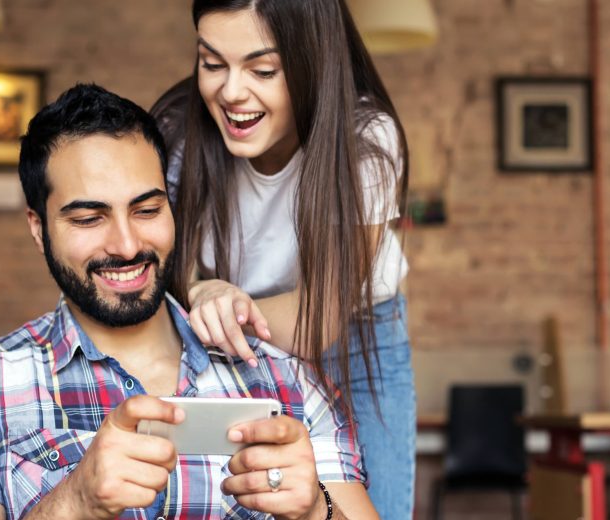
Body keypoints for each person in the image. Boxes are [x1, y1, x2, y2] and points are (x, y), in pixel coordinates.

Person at [0, 84, 377, 520]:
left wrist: (316, 510)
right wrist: (75, 503)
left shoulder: (287, 381)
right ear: (38, 228)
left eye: (147, 210)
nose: (126, 245)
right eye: (88, 219)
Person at [151, 1, 415, 517]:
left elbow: (319, 318)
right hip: (224, 338)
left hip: (355, 337)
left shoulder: (365, 141)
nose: (229, 92)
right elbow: (165, 265)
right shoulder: (178, 132)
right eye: (211, 63)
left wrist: (213, 301)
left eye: (262, 69)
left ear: (313, 61)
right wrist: (201, 289)